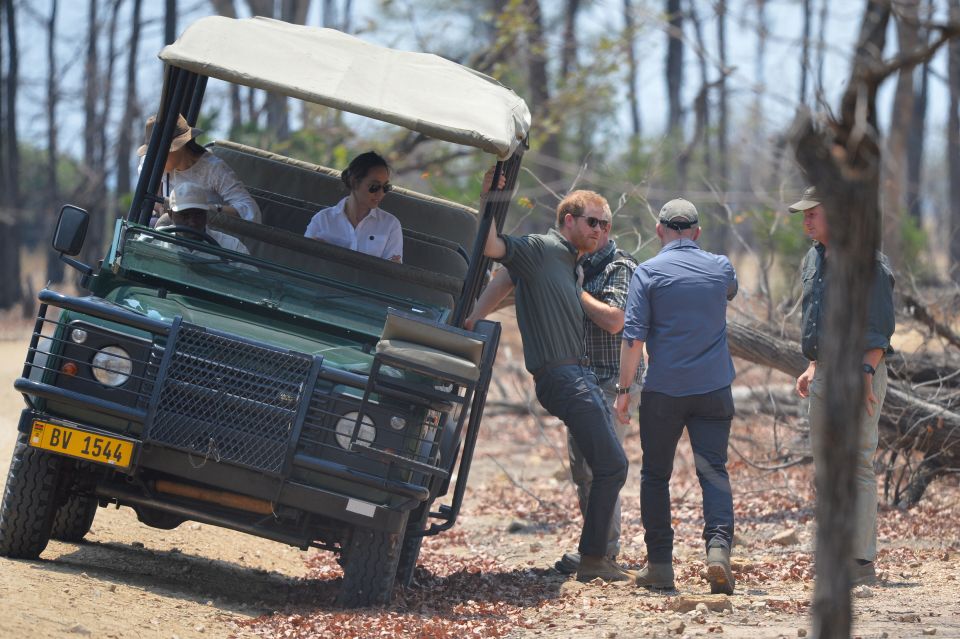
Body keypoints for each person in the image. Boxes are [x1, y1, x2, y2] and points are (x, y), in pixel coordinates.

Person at [470, 182, 632, 584]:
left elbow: (505, 278)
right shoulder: (542, 247)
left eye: (605, 224)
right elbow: (491, 246)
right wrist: (492, 195)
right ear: (569, 220)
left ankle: (595, 555)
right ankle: (595, 558)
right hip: (561, 375)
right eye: (592, 222)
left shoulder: (569, 262)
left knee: (606, 465)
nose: (599, 230)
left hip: (577, 375)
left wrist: (473, 317)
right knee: (612, 464)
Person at [614, 198, 739, 595]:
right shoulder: (721, 267)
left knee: (655, 476)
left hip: (665, 392)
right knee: (713, 472)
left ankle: (661, 566)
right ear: (697, 232)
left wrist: (623, 391)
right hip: (714, 389)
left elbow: (633, 338)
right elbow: (730, 291)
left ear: (658, 230)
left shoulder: (647, 273)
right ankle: (718, 551)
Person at [788, 186, 895, 586]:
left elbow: (879, 328)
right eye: (804, 214)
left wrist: (866, 377)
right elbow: (816, 319)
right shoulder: (813, 258)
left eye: (813, 213)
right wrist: (812, 364)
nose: (806, 220)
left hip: (859, 370)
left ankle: (861, 563)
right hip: (826, 371)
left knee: (858, 463)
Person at [139, 113, 262, 225]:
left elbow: (251, 210)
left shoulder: (212, 169)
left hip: (206, 236)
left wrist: (207, 209)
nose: (154, 158)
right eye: (152, 152)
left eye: (160, 152)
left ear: (180, 146)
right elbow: (151, 203)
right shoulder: (149, 163)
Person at [304, 151, 403, 262]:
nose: (380, 193)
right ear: (354, 182)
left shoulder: (391, 225)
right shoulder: (322, 219)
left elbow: (391, 273)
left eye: (385, 187)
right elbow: (304, 261)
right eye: (374, 186)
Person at [159, 182, 251, 255]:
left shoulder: (233, 247)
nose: (192, 223)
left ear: (206, 214)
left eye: (198, 215)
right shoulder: (156, 239)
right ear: (170, 214)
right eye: (184, 215)